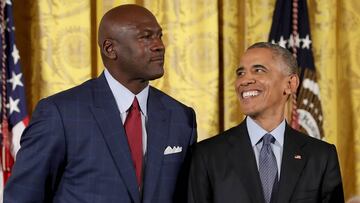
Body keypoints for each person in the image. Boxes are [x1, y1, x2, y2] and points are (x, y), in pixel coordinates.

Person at [4, 4, 197, 203]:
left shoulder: (181, 117)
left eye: (159, 36)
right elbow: (22, 197)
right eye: (146, 37)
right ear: (110, 48)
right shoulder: (60, 114)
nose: (159, 45)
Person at [188, 42, 344, 203]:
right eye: (240, 73)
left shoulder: (321, 156)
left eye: (259, 70)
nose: (244, 80)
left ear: (290, 84)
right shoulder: (207, 155)